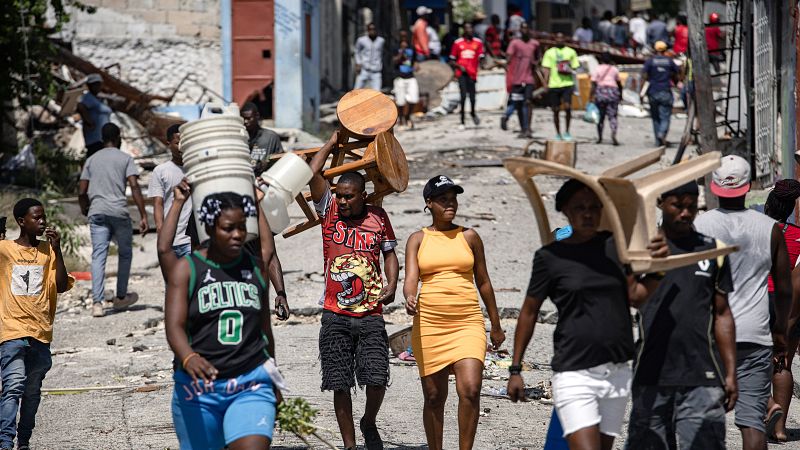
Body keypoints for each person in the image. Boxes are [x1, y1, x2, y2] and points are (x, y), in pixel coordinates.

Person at [507, 178, 668, 450]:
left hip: (616, 372)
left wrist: (658, 270)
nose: (588, 213)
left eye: (594, 207)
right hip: (574, 372)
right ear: (565, 210)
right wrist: (515, 368)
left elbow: (635, 298)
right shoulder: (550, 257)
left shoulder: (615, 248)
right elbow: (529, 312)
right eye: (579, 207)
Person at [165, 188, 283, 450]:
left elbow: (266, 330)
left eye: (242, 227)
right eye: (229, 228)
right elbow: (174, 326)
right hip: (198, 390)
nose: (238, 235)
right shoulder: (188, 268)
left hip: (250, 383)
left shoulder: (253, 268)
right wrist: (188, 357)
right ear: (210, 228)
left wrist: (272, 374)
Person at [625, 181, 738, 450]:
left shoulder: (714, 252)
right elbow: (626, 297)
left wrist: (731, 373)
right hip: (651, 373)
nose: (685, 213)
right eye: (678, 205)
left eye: (691, 206)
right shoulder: (642, 251)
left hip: (703, 374)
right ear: (661, 202)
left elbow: (723, 314)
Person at [693, 155, 792, 450]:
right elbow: (785, 288)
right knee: (752, 424)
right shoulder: (770, 228)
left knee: (706, 420)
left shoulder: (700, 225)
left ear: (714, 186)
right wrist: (780, 331)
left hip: (708, 334)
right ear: (748, 187)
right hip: (754, 333)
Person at [309, 132, 399, 450]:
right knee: (339, 381)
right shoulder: (329, 213)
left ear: (363, 196)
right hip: (334, 314)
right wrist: (333, 141)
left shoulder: (378, 217)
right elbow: (313, 172)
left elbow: (390, 254)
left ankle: (369, 421)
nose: (343, 201)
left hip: (371, 311)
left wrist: (393, 284)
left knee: (376, 377)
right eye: (341, 195)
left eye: (349, 196)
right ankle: (350, 445)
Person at [403, 175, 505, 450]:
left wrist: (495, 324)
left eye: (453, 199)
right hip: (430, 323)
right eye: (443, 200)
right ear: (429, 203)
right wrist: (409, 297)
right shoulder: (417, 239)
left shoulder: (469, 236)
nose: (451, 204)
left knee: (470, 390)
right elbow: (411, 278)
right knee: (434, 397)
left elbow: (483, 281)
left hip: (467, 321)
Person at [0, 199, 71, 450]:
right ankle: (5, 442)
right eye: (36, 218)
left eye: (43, 217)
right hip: (11, 332)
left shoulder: (47, 252)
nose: (42, 222)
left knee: (31, 392)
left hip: (40, 333)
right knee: (13, 386)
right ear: (21, 222)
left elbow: (61, 285)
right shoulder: (5, 250)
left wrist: (57, 249)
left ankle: (25, 441)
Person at [78, 123, 146, 318]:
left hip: (97, 212)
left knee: (99, 256)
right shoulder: (125, 159)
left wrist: (85, 208)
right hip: (119, 212)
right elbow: (134, 186)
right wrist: (142, 215)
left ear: (102, 137)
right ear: (118, 138)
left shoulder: (91, 160)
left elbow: (82, 190)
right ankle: (121, 296)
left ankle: (97, 304)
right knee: (125, 254)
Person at [762, 179, 800, 442]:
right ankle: (780, 430)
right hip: (791, 305)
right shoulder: (798, 235)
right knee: (783, 361)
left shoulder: (758, 230)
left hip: (760, 298)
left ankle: (765, 408)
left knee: (748, 360)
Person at [149, 124, 192, 272]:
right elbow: (158, 204)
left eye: (184, 142)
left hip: (191, 241)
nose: (181, 146)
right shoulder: (160, 171)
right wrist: (161, 233)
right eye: (177, 142)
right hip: (170, 240)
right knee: (173, 285)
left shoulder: (195, 169)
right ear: (168, 144)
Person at [499, 22, 540, 138]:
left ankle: (527, 129)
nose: (525, 31)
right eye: (523, 28)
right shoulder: (515, 43)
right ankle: (515, 123)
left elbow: (538, 57)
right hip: (516, 79)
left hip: (529, 79)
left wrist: (534, 64)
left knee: (527, 103)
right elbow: (508, 58)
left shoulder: (534, 44)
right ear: (520, 30)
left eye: (527, 28)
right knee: (517, 104)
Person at [541, 34, 579, 140]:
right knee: (556, 110)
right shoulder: (549, 52)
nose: (560, 40)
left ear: (565, 39)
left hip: (567, 83)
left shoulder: (571, 52)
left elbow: (575, 66)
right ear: (555, 40)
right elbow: (546, 68)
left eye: (562, 38)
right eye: (558, 38)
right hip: (554, 84)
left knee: (567, 107)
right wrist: (545, 82)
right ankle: (558, 133)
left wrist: (567, 68)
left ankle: (567, 131)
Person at [641, 41, 679, 146]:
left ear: (655, 50)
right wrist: (675, 82)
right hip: (665, 91)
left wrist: (641, 92)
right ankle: (662, 133)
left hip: (652, 92)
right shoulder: (669, 61)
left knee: (655, 117)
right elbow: (677, 73)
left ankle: (658, 142)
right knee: (665, 116)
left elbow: (644, 76)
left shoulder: (650, 61)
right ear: (665, 50)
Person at [449, 22, 484, 129]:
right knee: (463, 97)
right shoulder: (458, 43)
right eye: (466, 28)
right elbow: (452, 60)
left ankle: (473, 113)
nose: (469, 30)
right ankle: (462, 121)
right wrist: (459, 67)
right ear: (463, 30)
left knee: (472, 98)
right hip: (461, 74)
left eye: (470, 28)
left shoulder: (478, 43)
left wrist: (480, 65)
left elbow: (481, 57)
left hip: (472, 74)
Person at [241, 102, 283, 176]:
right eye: (243, 118)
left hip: (264, 182)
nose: (245, 122)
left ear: (257, 115)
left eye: (248, 118)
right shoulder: (239, 138)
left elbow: (280, 162)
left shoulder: (270, 137)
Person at [76, 73, 112, 159]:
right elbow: (80, 106)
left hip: (102, 139)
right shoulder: (88, 97)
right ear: (90, 86)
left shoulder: (98, 98)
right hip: (95, 139)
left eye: (98, 84)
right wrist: (89, 122)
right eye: (94, 84)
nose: (97, 86)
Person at [589, 52, 622, 145]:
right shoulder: (614, 69)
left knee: (600, 116)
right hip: (613, 92)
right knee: (613, 116)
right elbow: (619, 83)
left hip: (601, 92)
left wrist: (590, 97)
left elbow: (593, 83)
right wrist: (620, 95)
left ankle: (600, 137)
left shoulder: (597, 69)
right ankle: (613, 133)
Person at [392, 38, 419, 130]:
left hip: (410, 76)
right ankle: (401, 119)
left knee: (414, 99)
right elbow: (395, 61)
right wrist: (402, 52)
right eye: (402, 41)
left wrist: (416, 66)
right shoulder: (395, 50)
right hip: (399, 77)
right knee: (400, 101)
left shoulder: (412, 50)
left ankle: (408, 116)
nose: (404, 43)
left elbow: (415, 61)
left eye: (406, 41)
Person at [354, 23, 385, 90]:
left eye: (374, 29)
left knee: (377, 93)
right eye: (370, 29)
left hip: (376, 71)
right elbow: (357, 52)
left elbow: (383, 53)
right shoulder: (361, 40)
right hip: (364, 69)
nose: (372, 31)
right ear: (367, 30)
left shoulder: (381, 41)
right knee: (356, 91)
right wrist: (358, 63)